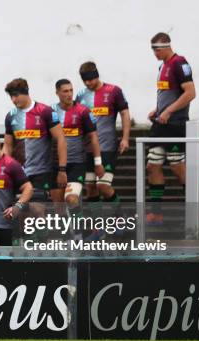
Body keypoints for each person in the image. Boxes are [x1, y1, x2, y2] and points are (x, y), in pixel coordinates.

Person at [146, 32, 196, 224]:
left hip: (175, 124)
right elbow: (167, 94)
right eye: (153, 50)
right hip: (161, 124)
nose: (155, 53)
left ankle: (197, 208)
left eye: (158, 49)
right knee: (152, 165)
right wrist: (158, 110)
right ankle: (156, 211)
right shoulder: (162, 66)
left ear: (167, 46)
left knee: (177, 168)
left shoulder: (179, 62)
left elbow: (191, 93)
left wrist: (168, 111)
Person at [76, 62, 131, 221]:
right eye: (84, 80)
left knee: (103, 185)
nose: (88, 83)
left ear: (97, 75)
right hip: (87, 150)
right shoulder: (80, 95)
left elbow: (125, 114)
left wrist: (126, 138)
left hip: (107, 147)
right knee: (90, 187)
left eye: (90, 80)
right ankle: (97, 223)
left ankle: (121, 217)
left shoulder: (114, 91)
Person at [51, 79, 105, 239]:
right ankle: (69, 239)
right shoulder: (51, 112)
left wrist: (98, 163)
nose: (69, 94)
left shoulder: (83, 111)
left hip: (76, 164)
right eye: (65, 91)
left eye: (70, 90)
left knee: (72, 199)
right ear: (57, 93)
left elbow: (94, 138)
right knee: (59, 207)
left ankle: (80, 235)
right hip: (55, 164)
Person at [3, 78, 68, 203]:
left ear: (26, 92)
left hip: (42, 171)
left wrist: (62, 169)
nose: (13, 100)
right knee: (23, 213)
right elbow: (7, 146)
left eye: (16, 95)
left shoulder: (45, 111)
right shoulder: (11, 116)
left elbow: (61, 139)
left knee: (37, 209)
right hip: (20, 172)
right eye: (11, 96)